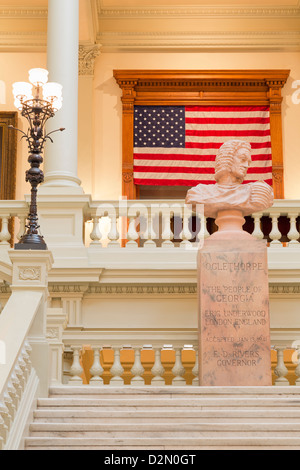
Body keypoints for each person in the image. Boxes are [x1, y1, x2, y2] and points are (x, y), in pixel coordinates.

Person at [185, 140, 274, 218]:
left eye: (248, 162)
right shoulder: (199, 193)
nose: (246, 165)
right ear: (228, 158)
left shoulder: (255, 191)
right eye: (243, 159)